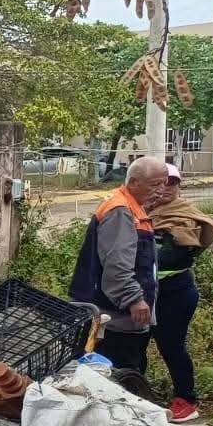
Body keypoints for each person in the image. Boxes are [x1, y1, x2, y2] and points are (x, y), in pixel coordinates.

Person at [70, 156, 170, 375]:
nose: (161, 190)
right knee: (118, 376)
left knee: (127, 371)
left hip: (120, 317)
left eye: (164, 183)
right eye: (155, 184)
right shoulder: (121, 211)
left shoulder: (133, 208)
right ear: (133, 182)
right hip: (114, 319)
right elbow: (117, 265)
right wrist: (133, 299)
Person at [148, 163, 213, 423]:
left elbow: (172, 256)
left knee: (171, 345)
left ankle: (187, 400)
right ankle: (136, 393)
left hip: (175, 292)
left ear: (179, 185)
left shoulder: (185, 216)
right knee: (136, 343)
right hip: (146, 291)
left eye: (172, 182)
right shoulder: (144, 211)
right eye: (161, 182)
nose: (166, 188)